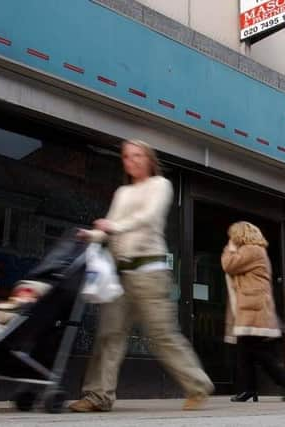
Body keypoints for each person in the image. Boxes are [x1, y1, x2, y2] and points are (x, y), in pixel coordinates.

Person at [68, 140, 214, 412]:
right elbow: (109, 228)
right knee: (109, 335)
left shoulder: (161, 185)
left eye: (137, 155)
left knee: (161, 335)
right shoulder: (122, 193)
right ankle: (97, 396)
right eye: (126, 156)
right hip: (120, 275)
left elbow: (148, 217)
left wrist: (113, 226)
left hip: (151, 272)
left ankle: (198, 385)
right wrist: (93, 234)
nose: (131, 160)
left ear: (149, 159)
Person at [221, 221, 285, 402]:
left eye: (233, 235)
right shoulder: (254, 251)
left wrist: (230, 248)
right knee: (247, 352)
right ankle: (251, 389)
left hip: (253, 309)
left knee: (255, 351)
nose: (231, 239)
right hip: (250, 308)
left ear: (241, 235)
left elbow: (228, 265)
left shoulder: (252, 250)